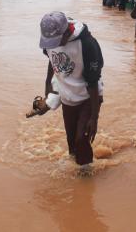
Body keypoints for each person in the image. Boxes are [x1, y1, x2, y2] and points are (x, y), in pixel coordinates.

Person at [39, 11, 104, 170]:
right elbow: (52, 60)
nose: (53, 45)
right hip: (67, 98)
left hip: (88, 97)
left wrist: (94, 118)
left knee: (81, 138)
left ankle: (86, 176)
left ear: (67, 31)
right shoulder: (50, 40)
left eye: (56, 41)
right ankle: (76, 168)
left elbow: (93, 82)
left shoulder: (87, 44)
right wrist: (49, 88)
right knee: (71, 141)